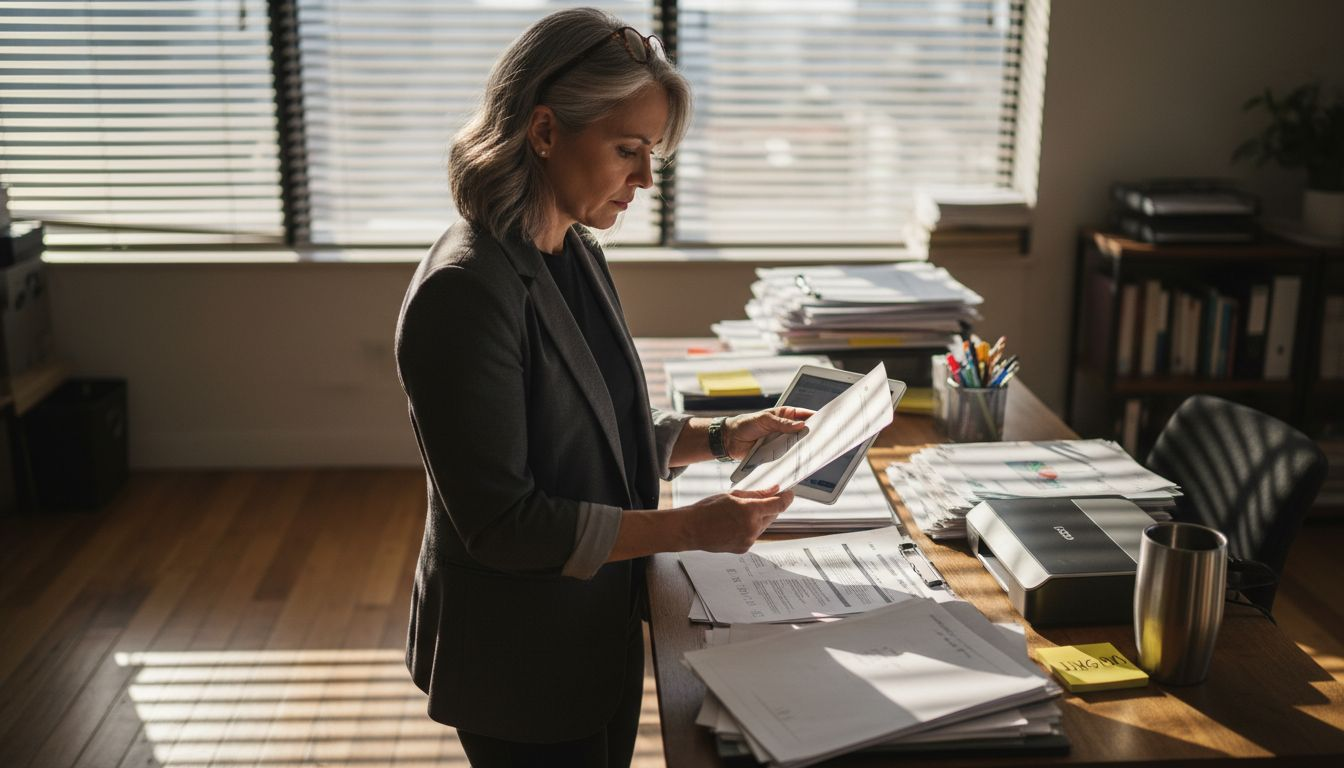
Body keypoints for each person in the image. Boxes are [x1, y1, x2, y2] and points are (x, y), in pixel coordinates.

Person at [393, 8, 807, 767]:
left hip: (594, 621)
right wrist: (689, 528)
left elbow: (594, 426)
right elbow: (504, 523)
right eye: (627, 150)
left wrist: (721, 437)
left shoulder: (571, 246)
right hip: (520, 656)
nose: (646, 178)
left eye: (652, 153)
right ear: (545, 131)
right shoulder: (466, 292)